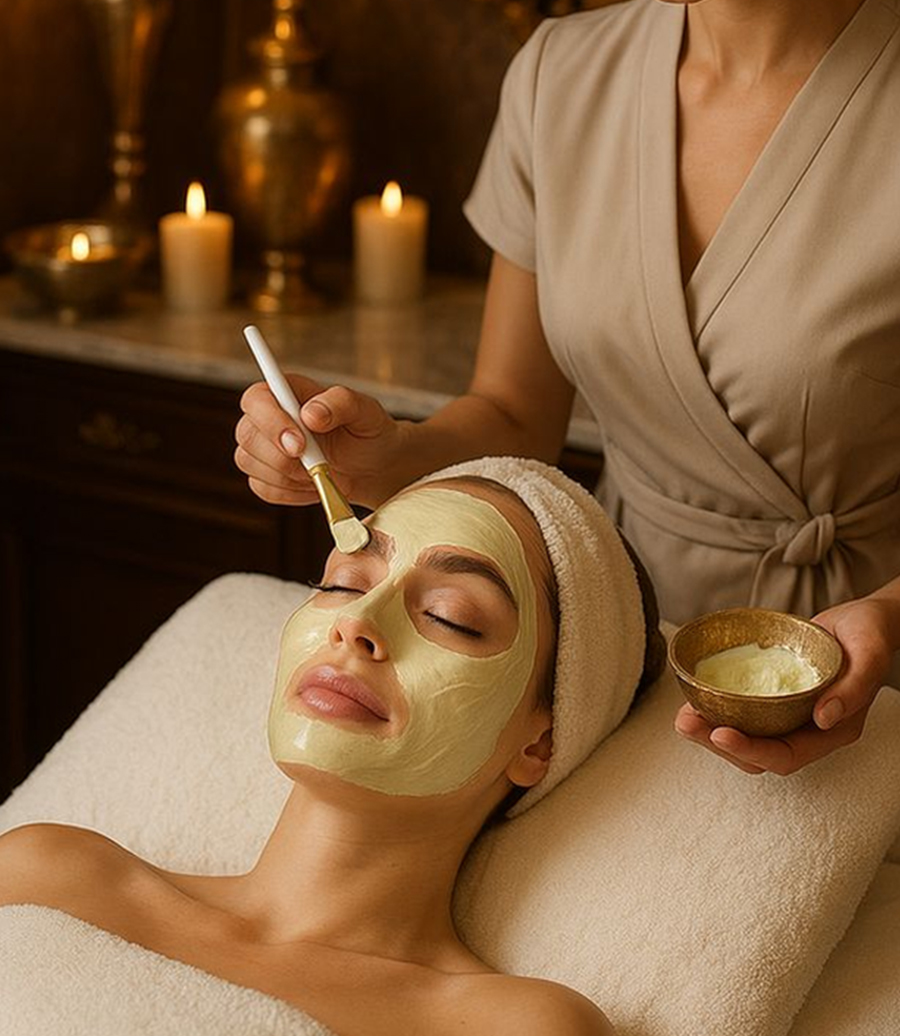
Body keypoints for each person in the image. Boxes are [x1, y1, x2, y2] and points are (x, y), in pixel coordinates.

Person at [234, 0, 900, 778]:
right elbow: (515, 415)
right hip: (620, 653)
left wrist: (888, 620)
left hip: (862, 679)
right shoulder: (561, 76)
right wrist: (383, 459)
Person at [0, 458, 665, 1036]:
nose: (357, 621)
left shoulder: (515, 1025)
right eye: (344, 582)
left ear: (538, 742)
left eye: (450, 616)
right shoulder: (50, 877)